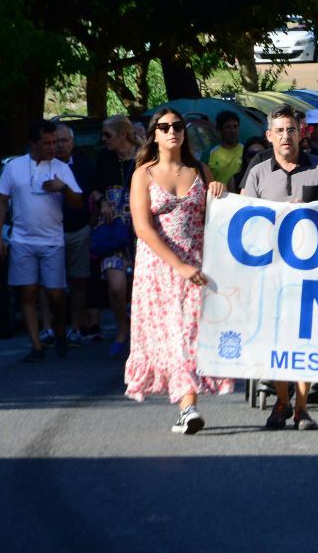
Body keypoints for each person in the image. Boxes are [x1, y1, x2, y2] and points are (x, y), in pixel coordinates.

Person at [124, 108, 235, 432]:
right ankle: (186, 405)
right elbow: (142, 228)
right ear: (154, 134)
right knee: (170, 337)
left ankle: (188, 406)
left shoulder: (199, 170)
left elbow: (219, 216)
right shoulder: (143, 174)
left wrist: (217, 192)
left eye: (177, 126)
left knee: (189, 334)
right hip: (158, 270)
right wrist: (178, 266)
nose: (172, 131)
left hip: (197, 264)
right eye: (164, 127)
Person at [238, 105, 318, 430]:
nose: (286, 136)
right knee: (274, 339)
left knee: (306, 339)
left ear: (302, 133)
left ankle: (300, 407)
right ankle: (282, 401)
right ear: (270, 136)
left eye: (292, 130)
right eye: (280, 130)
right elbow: (242, 217)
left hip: (313, 271)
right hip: (270, 270)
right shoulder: (257, 172)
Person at [0, 120, 84, 362]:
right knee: (27, 292)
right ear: (32, 143)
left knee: (56, 294)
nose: (52, 147)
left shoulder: (62, 168)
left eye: (55, 142)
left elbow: (78, 203)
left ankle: (59, 330)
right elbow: (2, 202)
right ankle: (36, 346)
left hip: (52, 241)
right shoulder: (14, 168)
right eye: (46, 143)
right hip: (22, 240)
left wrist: (63, 188)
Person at [94, 114, 139, 357]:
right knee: (115, 286)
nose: (104, 140)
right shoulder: (103, 158)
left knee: (139, 286)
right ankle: (122, 330)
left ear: (123, 135)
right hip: (112, 228)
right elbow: (93, 187)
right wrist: (101, 201)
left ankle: (142, 332)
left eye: (107, 135)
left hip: (140, 228)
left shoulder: (144, 156)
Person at [53, 124, 95, 345]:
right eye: (56, 141)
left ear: (72, 143)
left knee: (78, 279)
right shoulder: (44, 166)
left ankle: (76, 327)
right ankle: (50, 329)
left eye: (64, 141)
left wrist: (90, 223)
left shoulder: (84, 165)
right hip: (50, 233)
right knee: (52, 283)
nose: (59, 146)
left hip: (78, 229)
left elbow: (90, 195)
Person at [204, 110, 243, 186]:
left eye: (235, 126)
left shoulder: (245, 151)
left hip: (239, 196)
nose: (232, 131)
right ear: (219, 130)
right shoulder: (210, 153)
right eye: (228, 127)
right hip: (217, 196)